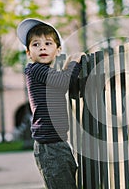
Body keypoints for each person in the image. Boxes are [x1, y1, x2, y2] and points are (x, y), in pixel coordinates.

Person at [17, 18, 83, 189]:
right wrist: (75, 61)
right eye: (36, 44)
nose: (42, 47)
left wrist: (67, 66)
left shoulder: (47, 73)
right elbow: (64, 82)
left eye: (48, 43)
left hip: (56, 142)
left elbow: (60, 85)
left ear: (58, 50)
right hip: (50, 146)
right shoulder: (35, 69)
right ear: (28, 53)